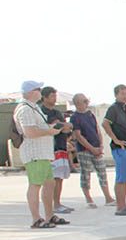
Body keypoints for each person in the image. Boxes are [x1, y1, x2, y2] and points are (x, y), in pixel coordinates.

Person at [14, 80, 70, 228]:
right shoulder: (25, 109)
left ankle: (49, 215)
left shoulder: (33, 108)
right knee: (35, 184)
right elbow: (29, 132)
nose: (40, 92)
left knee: (49, 183)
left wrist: (51, 128)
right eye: (38, 89)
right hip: (35, 154)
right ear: (32, 92)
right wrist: (49, 131)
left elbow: (38, 128)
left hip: (43, 154)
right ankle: (36, 219)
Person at [70, 93, 115, 208]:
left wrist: (100, 145)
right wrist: (91, 148)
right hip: (84, 150)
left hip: (96, 147)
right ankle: (88, 198)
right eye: (84, 101)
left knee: (102, 172)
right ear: (77, 103)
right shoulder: (75, 117)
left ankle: (108, 197)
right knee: (86, 174)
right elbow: (78, 135)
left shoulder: (90, 114)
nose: (87, 103)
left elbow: (97, 130)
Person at [102, 84, 126, 216]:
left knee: (125, 179)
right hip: (119, 148)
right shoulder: (113, 109)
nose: (125, 96)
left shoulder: (124, 109)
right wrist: (115, 140)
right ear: (116, 95)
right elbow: (105, 123)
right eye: (122, 94)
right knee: (120, 179)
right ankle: (120, 206)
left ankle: (124, 204)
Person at [39, 86, 74, 214]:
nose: (55, 99)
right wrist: (61, 126)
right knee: (50, 179)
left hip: (61, 147)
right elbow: (52, 127)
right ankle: (51, 206)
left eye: (55, 96)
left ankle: (57, 203)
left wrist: (62, 126)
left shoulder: (57, 112)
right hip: (49, 149)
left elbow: (66, 128)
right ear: (44, 97)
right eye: (52, 96)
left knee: (59, 177)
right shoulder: (41, 112)